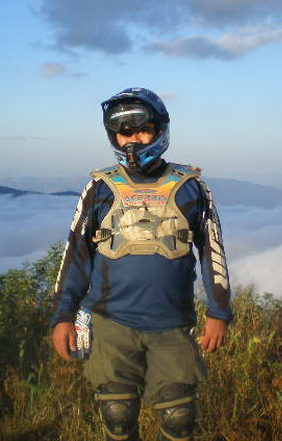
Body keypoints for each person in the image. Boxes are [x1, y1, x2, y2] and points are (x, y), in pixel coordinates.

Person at [50, 87, 232, 441]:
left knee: (179, 418)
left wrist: (219, 312)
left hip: (171, 324)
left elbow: (213, 252)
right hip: (110, 322)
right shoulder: (99, 187)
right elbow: (75, 254)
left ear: (160, 129)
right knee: (117, 415)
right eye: (124, 132)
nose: (133, 140)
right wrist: (63, 316)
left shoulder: (191, 187)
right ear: (113, 136)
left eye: (143, 129)